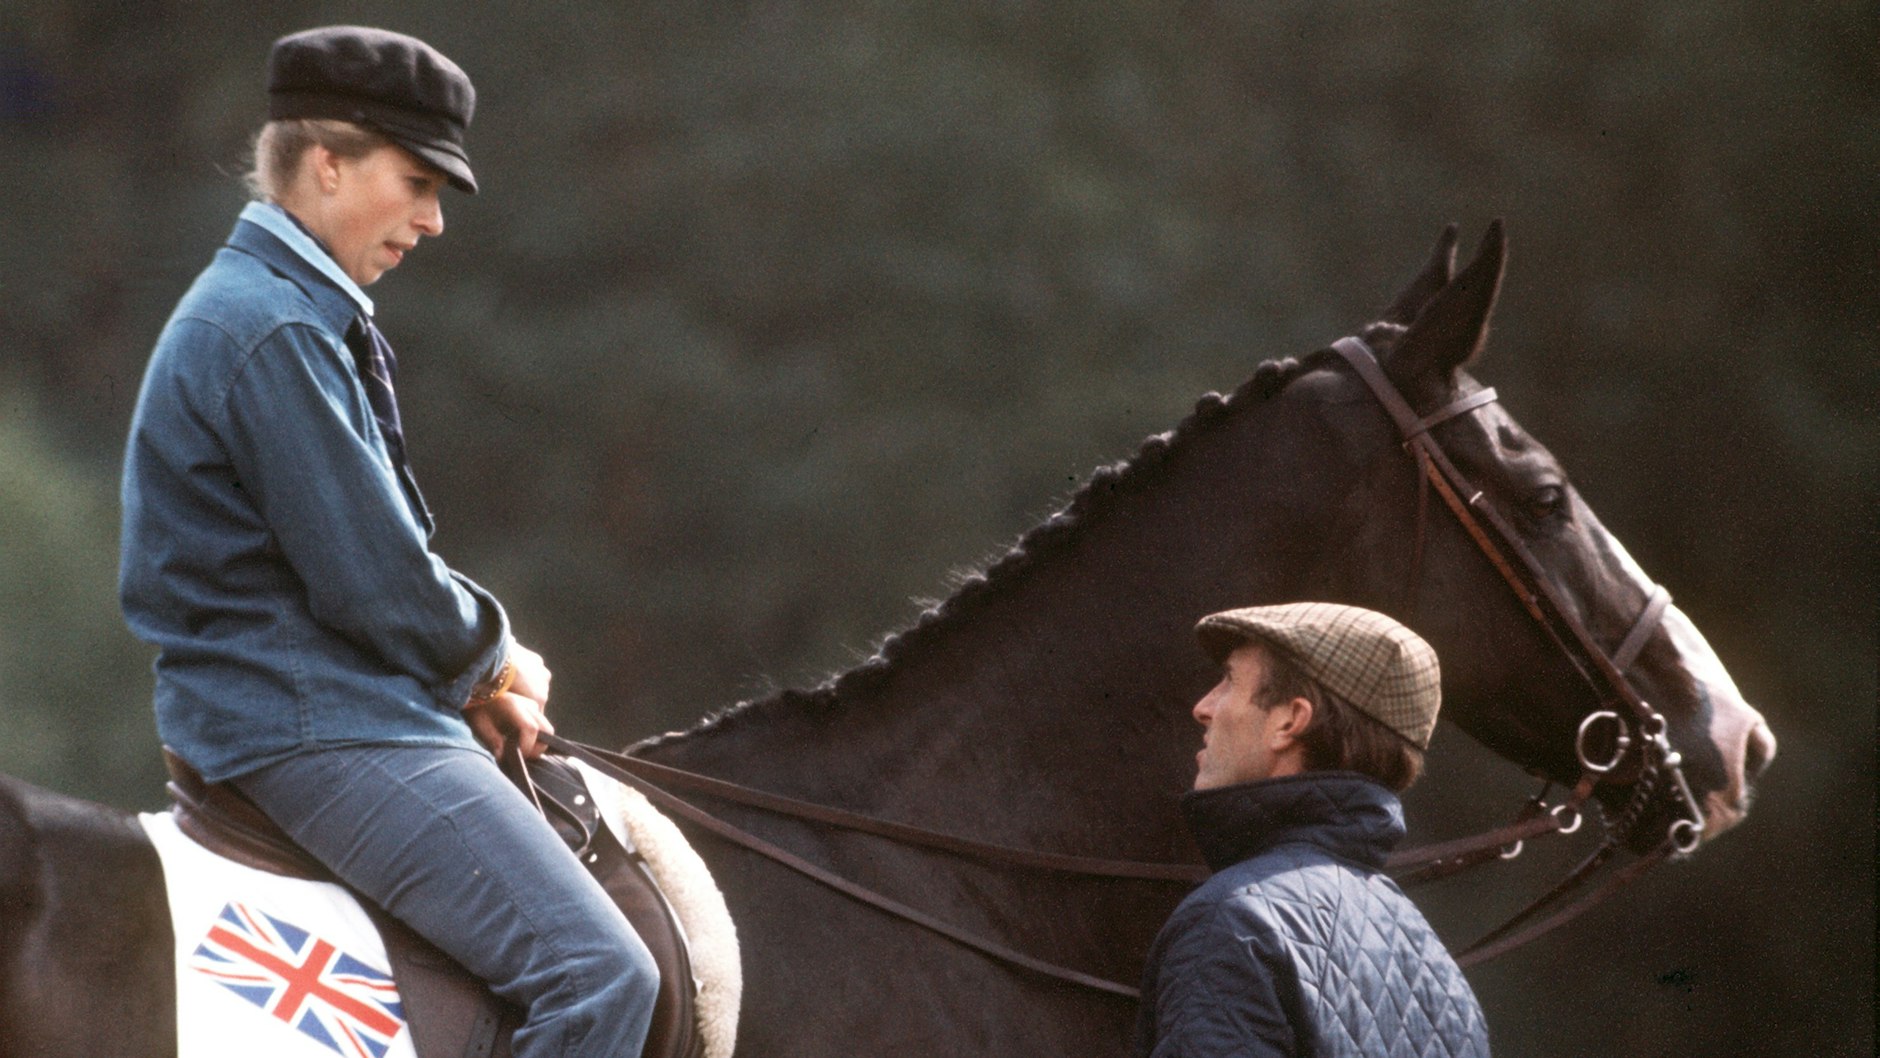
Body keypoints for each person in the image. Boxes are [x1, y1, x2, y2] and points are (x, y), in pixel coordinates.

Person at [118, 26, 658, 1057]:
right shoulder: (272, 329)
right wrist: (489, 656)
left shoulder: (287, 312)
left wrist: (468, 674)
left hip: (312, 705)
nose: (433, 220)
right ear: (328, 162)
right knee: (600, 974)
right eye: (416, 181)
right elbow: (376, 582)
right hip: (316, 722)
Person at [1135, 602, 1490, 1058]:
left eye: (1229, 680)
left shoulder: (1233, 922)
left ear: (1289, 721)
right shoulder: (1432, 963)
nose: (1203, 707)